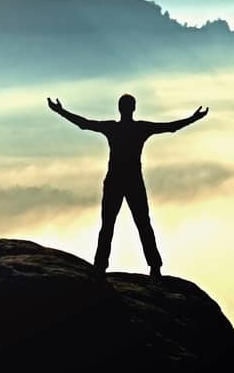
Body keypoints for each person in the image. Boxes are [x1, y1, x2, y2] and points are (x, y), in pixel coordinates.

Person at [46, 93, 208, 277]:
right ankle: (154, 267)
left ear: (120, 108)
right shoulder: (140, 128)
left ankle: (101, 266)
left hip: (116, 180)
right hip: (132, 181)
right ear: (133, 108)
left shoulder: (113, 128)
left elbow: (84, 123)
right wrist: (194, 118)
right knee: (141, 224)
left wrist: (60, 111)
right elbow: (171, 127)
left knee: (110, 224)